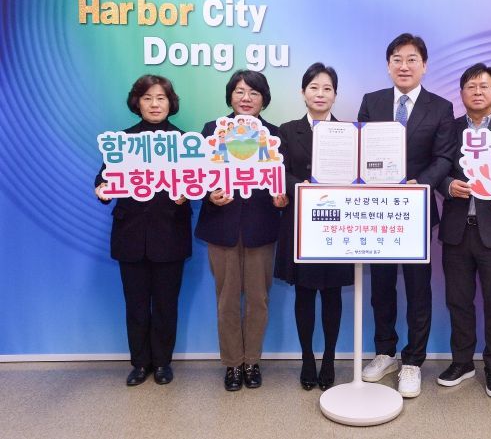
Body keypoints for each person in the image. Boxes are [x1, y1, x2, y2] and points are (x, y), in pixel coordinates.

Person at [358, 33, 456, 398]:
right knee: (381, 286)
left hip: (416, 210)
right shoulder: (372, 102)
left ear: (424, 65)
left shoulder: (440, 107)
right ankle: (385, 352)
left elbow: (444, 157)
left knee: (418, 288)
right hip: (378, 212)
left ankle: (413, 361)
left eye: (412, 59)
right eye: (397, 59)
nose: (404, 65)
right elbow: (360, 150)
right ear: (388, 65)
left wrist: (420, 184)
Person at [94, 75, 191, 386]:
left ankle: (162, 363)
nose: (154, 104)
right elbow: (104, 178)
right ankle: (139, 364)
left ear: (170, 103)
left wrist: (187, 192)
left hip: (170, 233)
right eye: (147, 98)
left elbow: (199, 181)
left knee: (166, 303)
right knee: (135, 304)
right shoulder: (121, 141)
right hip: (131, 235)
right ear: (137, 102)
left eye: (161, 98)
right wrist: (103, 189)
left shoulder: (185, 142)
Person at [436, 63, 491, 398]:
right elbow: (436, 167)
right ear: (461, 93)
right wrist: (446, 185)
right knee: (458, 301)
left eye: (484, 86)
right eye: (470, 86)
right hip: (457, 231)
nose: (477, 92)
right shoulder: (449, 129)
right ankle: (462, 362)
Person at [195, 70, 281, 391]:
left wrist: (282, 197)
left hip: (261, 226)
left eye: (254, 93)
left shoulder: (275, 135)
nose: (246, 98)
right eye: (240, 92)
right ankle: (232, 364)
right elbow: (196, 174)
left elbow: (281, 180)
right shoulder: (211, 130)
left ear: (264, 99)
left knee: (258, 299)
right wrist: (209, 194)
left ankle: (252, 361)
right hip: (222, 226)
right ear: (230, 96)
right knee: (227, 299)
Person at [274, 62, 354, 391]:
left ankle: (330, 358)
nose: (320, 94)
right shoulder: (286, 130)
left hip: (336, 224)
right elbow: (279, 170)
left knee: (332, 293)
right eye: (314, 88)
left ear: (335, 95)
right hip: (300, 222)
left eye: (327, 88)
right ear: (303, 92)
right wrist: (301, 187)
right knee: (304, 293)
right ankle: (307, 358)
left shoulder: (348, 132)